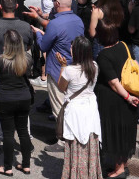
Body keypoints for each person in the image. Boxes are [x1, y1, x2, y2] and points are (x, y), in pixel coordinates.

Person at [94, 21, 139, 178]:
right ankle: (122, 165)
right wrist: (130, 96)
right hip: (128, 95)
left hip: (115, 100)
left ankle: (119, 170)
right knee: (125, 133)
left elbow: (113, 82)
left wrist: (128, 97)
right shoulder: (124, 46)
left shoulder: (103, 55)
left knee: (116, 134)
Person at [0, 29, 33, 176]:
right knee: (23, 132)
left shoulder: (1, 60)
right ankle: (26, 165)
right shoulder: (27, 58)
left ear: (6, 44)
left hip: (6, 99)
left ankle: (7, 167)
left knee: (8, 134)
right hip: (24, 98)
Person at [56, 35, 101, 179]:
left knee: (75, 142)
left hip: (75, 111)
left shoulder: (69, 70)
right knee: (90, 142)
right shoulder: (95, 66)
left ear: (77, 51)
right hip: (90, 108)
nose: (70, 48)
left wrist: (63, 66)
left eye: (72, 47)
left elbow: (61, 87)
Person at [35, 0, 84, 121]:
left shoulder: (54, 23)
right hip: (74, 69)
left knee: (59, 111)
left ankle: (62, 134)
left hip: (57, 71)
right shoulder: (78, 21)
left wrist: (38, 34)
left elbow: (43, 46)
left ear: (57, 3)